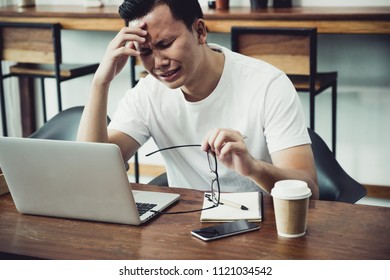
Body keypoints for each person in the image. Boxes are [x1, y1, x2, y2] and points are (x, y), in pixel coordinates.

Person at [77, 0, 319, 199]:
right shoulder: (147, 93)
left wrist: (253, 167)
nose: (158, 63)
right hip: (186, 227)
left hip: (265, 226)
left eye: (166, 44)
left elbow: (310, 190)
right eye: (146, 52)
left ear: (200, 31)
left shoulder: (267, 85)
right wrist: (100, 83)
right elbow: (92, 171)